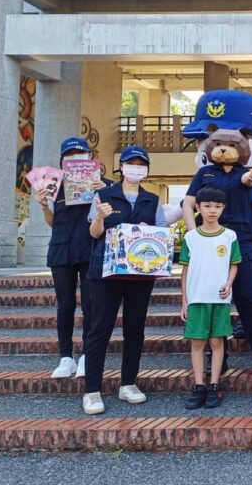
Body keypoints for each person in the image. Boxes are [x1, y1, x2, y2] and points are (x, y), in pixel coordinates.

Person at [81, 146, 167, 415]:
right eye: (131, 163)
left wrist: (150, 234)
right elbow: (94, 234)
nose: (136, 168)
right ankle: (92, 390)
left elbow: (160, 233)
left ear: (147, 169)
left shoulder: (152, 200)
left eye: (141, 163)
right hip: (106, 275)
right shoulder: (104, 195)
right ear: (121, 167)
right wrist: (100, 217)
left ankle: (128, 383)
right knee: (100, 329)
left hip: (140, 274)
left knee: (135, 329)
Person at [183, 133, 252, 375]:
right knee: (212, 298)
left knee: (247, 300)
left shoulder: (246, 171)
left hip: (241, 238)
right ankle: (219, 359)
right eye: (220, 144)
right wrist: (195, 236)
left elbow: (248, 180)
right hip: (209, 239)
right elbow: (188, 203)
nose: (224, 149)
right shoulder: (205, 173)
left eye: (231, 145)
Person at [35, 136, 108, 379]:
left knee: (91, 305)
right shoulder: (52, 185)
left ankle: (88, 355)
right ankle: (66, 357)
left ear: (90, 156)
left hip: (90, 248)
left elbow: (109, 217)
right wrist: (44, 205)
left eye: (81, 154)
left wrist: (103, 194)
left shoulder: (103, 184)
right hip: (62, 249)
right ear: (62, 160)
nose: (75, 159)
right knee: (65, 305)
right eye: (70, 155)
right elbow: (52, 222)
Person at [179, 187, 240, 410]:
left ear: (223, 208)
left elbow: (234, 264)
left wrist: (229, 284)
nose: (212, 211)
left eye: (217, 206)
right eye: (207, 206)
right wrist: (184, 301)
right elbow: (184, 271)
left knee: (216, 342)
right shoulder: (191, 237)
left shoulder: (229, 235)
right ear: (198, 208)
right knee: (197, 342)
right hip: (196, 299)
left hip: (220, 299)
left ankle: (213, 385)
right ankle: (198, 386)